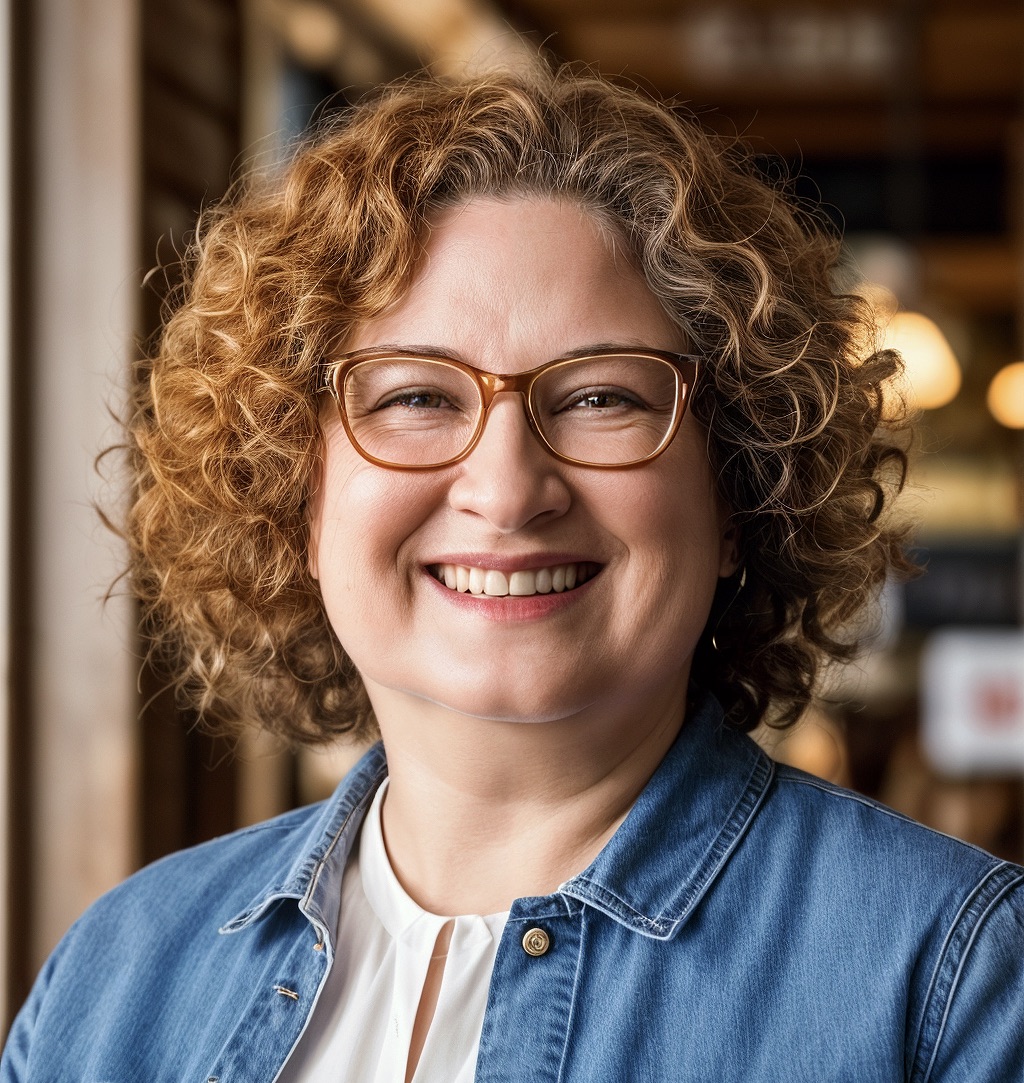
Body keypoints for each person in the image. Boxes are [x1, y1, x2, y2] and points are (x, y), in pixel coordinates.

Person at [3, 62, 1022, 1082]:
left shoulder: (953, 984)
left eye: (600, 398)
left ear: (737, 496)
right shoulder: (116, 979)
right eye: (413, 397)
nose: (505, 487)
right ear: (294, 498)